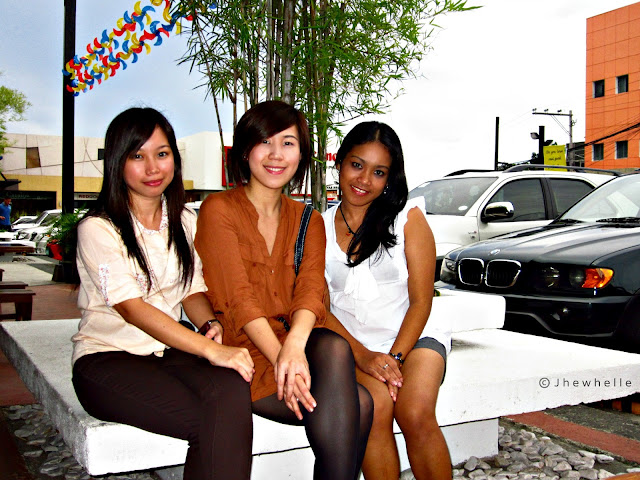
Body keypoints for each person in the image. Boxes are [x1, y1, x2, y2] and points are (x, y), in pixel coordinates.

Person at [71, 107, 255, 480]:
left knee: (232, 391)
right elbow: (131, 308)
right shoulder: (98, 228)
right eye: (137, 156)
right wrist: (210, 350)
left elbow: (192, 290)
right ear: (117, 163)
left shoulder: (185, 221)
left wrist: (209, 324)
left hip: (168, 353)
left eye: (162, 153)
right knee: (216, 422)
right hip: (107, 360)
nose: (153, 168)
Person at [195, 100, 373, 480]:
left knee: (337, 354)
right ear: (246, 150)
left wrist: (293, 347)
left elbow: (311, 289)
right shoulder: (218, 209)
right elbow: (238, 299)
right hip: (243, 350)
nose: (276, 155)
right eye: (265, 142)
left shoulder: (308, 218)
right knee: (359, 403)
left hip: (292, 343)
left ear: (301, 154)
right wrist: (283, 361)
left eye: (288, 143)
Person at [323, 121, 452, 480]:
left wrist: (394, 360)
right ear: (339, 163)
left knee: (414, 411)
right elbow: (319, 307)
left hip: (414, 335)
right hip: (355, 345)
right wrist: (364, 356)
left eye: (379, 172)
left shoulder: (407, 218)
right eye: (356, 165)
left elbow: (422, 301)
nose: (364, 180)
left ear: (389, 178)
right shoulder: (318, 226)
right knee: (375, 410)